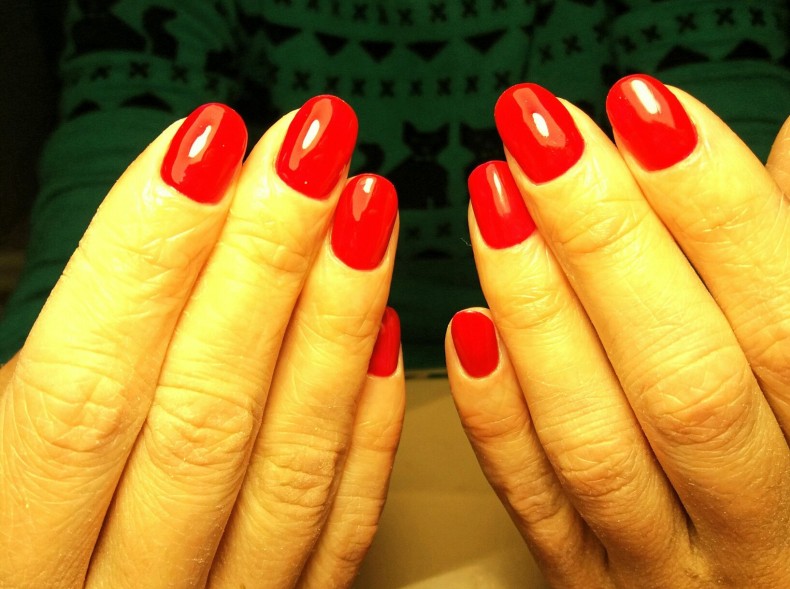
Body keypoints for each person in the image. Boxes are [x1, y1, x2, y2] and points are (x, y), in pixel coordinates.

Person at [1, 1, 789, 588]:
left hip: (613, 409)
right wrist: (46, 427)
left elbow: (734, 241)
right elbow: (93, 230)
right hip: (260, 415)